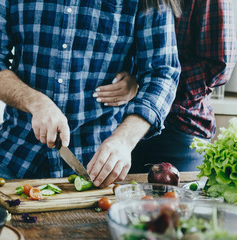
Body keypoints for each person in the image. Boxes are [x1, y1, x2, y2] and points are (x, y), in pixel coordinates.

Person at [0, 0, 181, 187]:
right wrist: (36, 102)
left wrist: (124, 140)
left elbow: (162, 74)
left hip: (98, 166)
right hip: (14, 154)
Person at [94, 0, 237, 172]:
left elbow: (218, 66)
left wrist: (141, 85)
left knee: (173, 197)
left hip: (178, 126)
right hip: (117, 122)